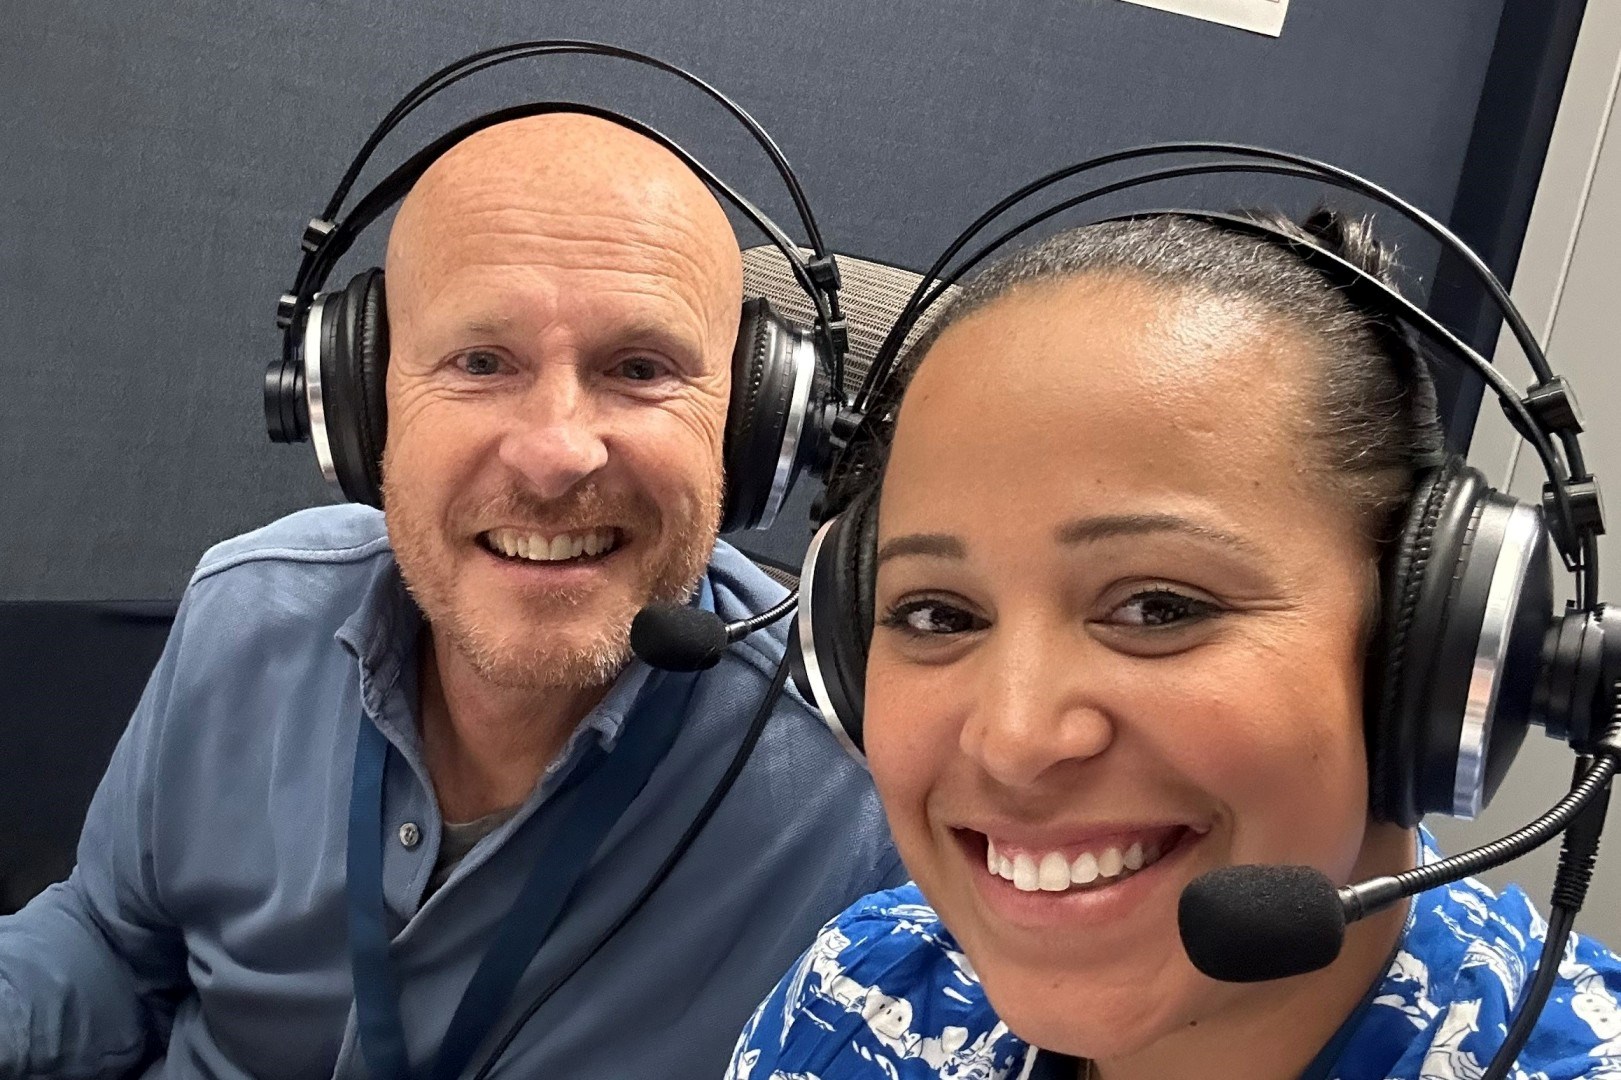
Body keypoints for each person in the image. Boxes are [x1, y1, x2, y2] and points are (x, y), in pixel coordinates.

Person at [0, 114, 902, 1079]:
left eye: (639, 370)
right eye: (480, 363)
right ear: (362, 399)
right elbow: (108, 943)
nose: (555, 454)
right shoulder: (245, 613)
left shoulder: (854, 808)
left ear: (756, 429)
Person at [728, 212, 1621, 1079]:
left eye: (1156, 607)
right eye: (937, 616)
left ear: (1421, 655)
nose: (1013, 740)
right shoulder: (864, 992)